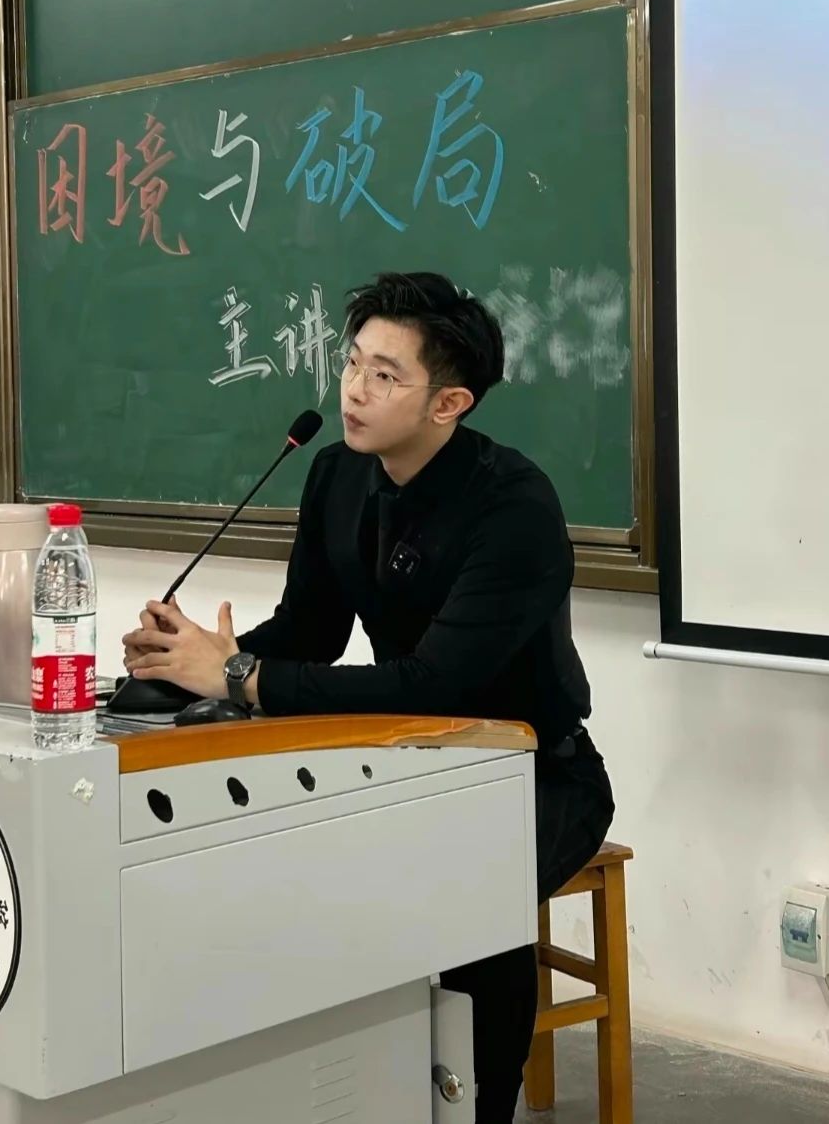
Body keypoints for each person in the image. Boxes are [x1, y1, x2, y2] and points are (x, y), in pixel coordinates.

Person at [122, 270, 615, 1124]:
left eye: (385, 375)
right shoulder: (336, 475)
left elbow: (437, 681)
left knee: (467, 904)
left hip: (533, 770)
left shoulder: (515, 505)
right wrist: (193, 657)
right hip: (407, 757)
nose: (354, 389)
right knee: (309, 889)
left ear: (449, 403)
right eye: (353, 362)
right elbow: (311, 630)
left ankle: (477, 1106)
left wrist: (239, 676)